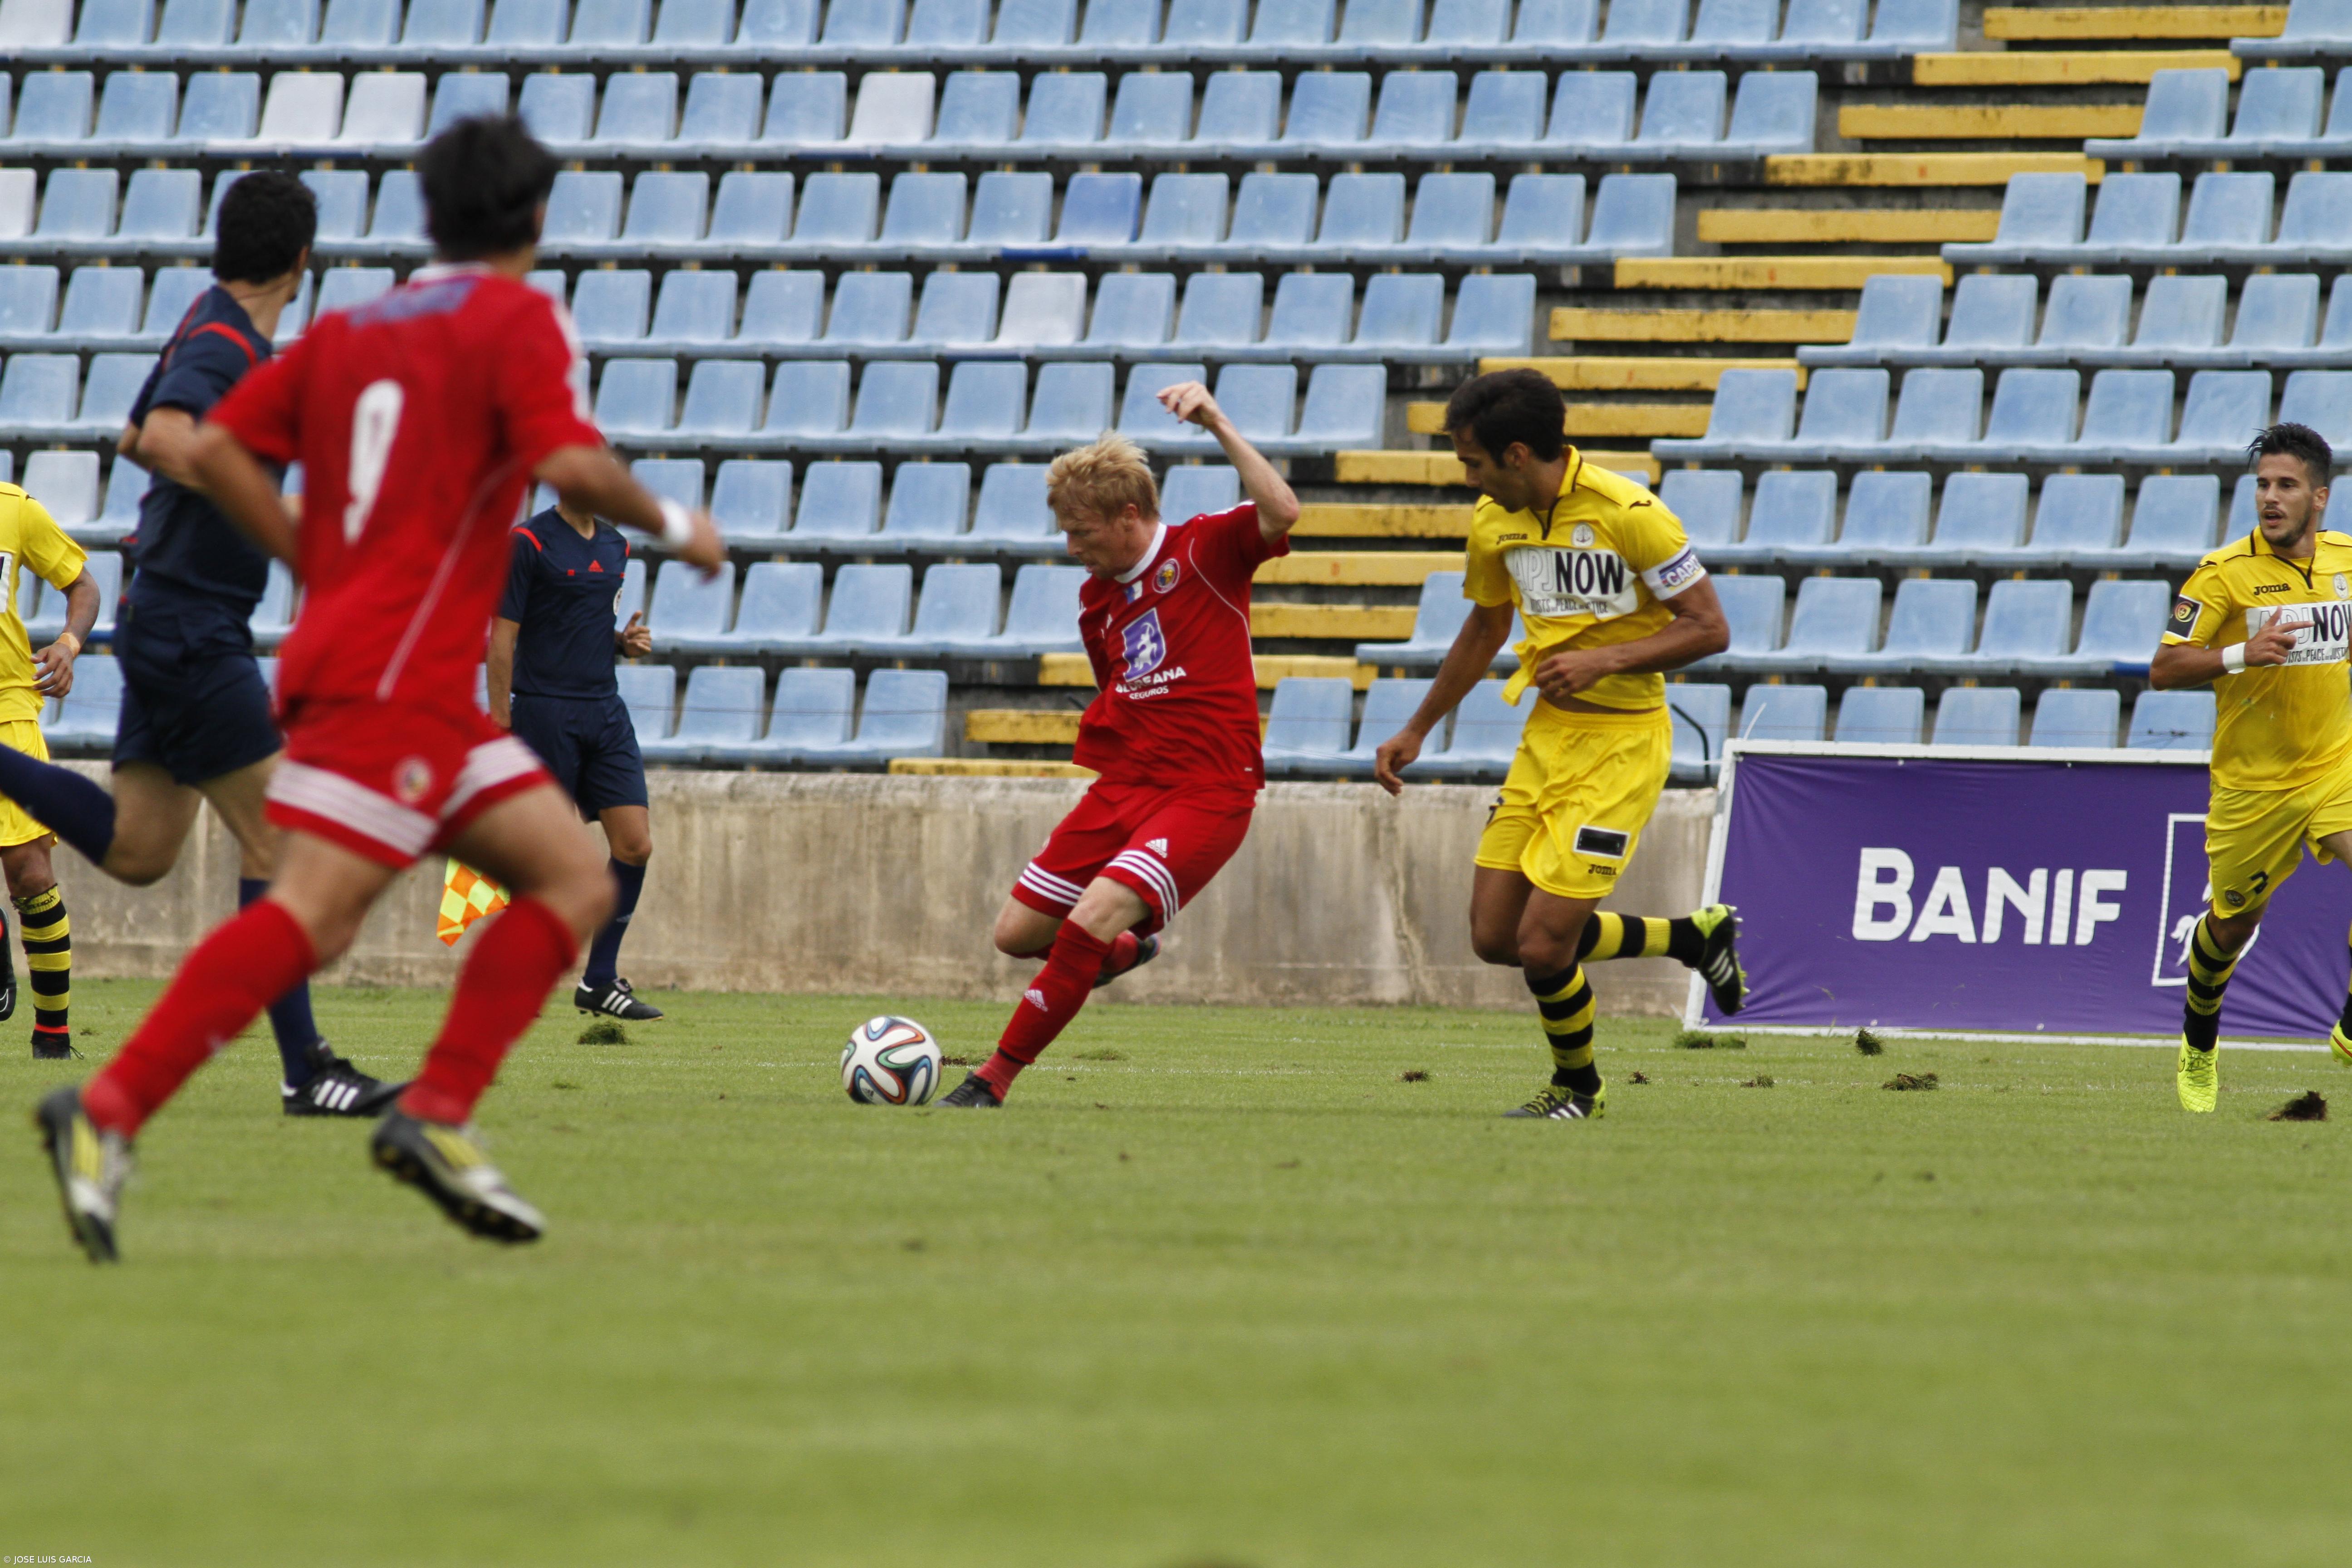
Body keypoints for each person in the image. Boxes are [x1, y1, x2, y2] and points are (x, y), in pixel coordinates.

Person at [33, 114, 726, 1263]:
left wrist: (313, 557)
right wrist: (679, 522)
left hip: (353, 660)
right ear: (536, 219)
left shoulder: (356, 326)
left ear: (430, 215)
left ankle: (120, 1113)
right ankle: (408, 1111)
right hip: (398, 676)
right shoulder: (518, 318)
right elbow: (568, 459)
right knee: (394, 896)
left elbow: (201, 451)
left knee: (493, 882)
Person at [0, 170, 402, 1113]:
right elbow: (172, 436)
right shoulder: (226, 344)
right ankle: (309, 1073)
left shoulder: (204, 319)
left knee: (140, 848)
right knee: (283, 839)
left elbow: (135, 434)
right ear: (304, 259)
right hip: (189, 628)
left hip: (168, 619)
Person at [1371, 368, 1747, 1121]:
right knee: (1494, 937)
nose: (1466, 478)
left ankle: (1578, 1089)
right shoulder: (1492, 521)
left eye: (1471, 462)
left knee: (1543, 948)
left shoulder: (1629, 513)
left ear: (1516, 454)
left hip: (1622, 746)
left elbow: (1709, 627)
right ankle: (1691, 936)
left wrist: (1603, 659)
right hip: (1546, 742)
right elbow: (1484, 627)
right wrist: (1416, 725)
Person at [938, 396, 1300, 1107]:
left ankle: (992, 1080)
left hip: (1208, 791)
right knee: (1016, 935)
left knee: (1092, 918)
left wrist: (1219, 423)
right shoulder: (1095, 600)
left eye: (1081, 531)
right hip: (1129, 785)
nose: (1071, 546)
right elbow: (1122, 693)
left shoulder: (1204, 548)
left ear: (1129, 517)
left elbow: (1283, 512)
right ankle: (1126, 954)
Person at [2149, 422, 2352, 1112]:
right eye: (2263, 485)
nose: (2270, 497)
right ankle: (2199, 1041)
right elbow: (2163, 669)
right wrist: (2241, 654)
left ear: (2319, 497)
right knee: (2232, 925)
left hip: (2335, 767)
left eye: (2286, 486)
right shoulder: (2222, 575)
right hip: (2254, 789)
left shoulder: (2347, 561)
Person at [487, 496, 663, 1021]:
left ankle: (600, 981)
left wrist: (620, 643)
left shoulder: (616, 545)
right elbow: (503, 639)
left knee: (635, 845)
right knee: (547, 860)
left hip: (605, 711)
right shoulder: (528, 543)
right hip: (545, 713)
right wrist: (499, 723)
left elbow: (576, 626)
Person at [0, 478, 101, 1058]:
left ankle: (54, 1038)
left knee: (31, 874)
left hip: (8, 707)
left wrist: (68, 643)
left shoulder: (13, 508)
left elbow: (82, 585)